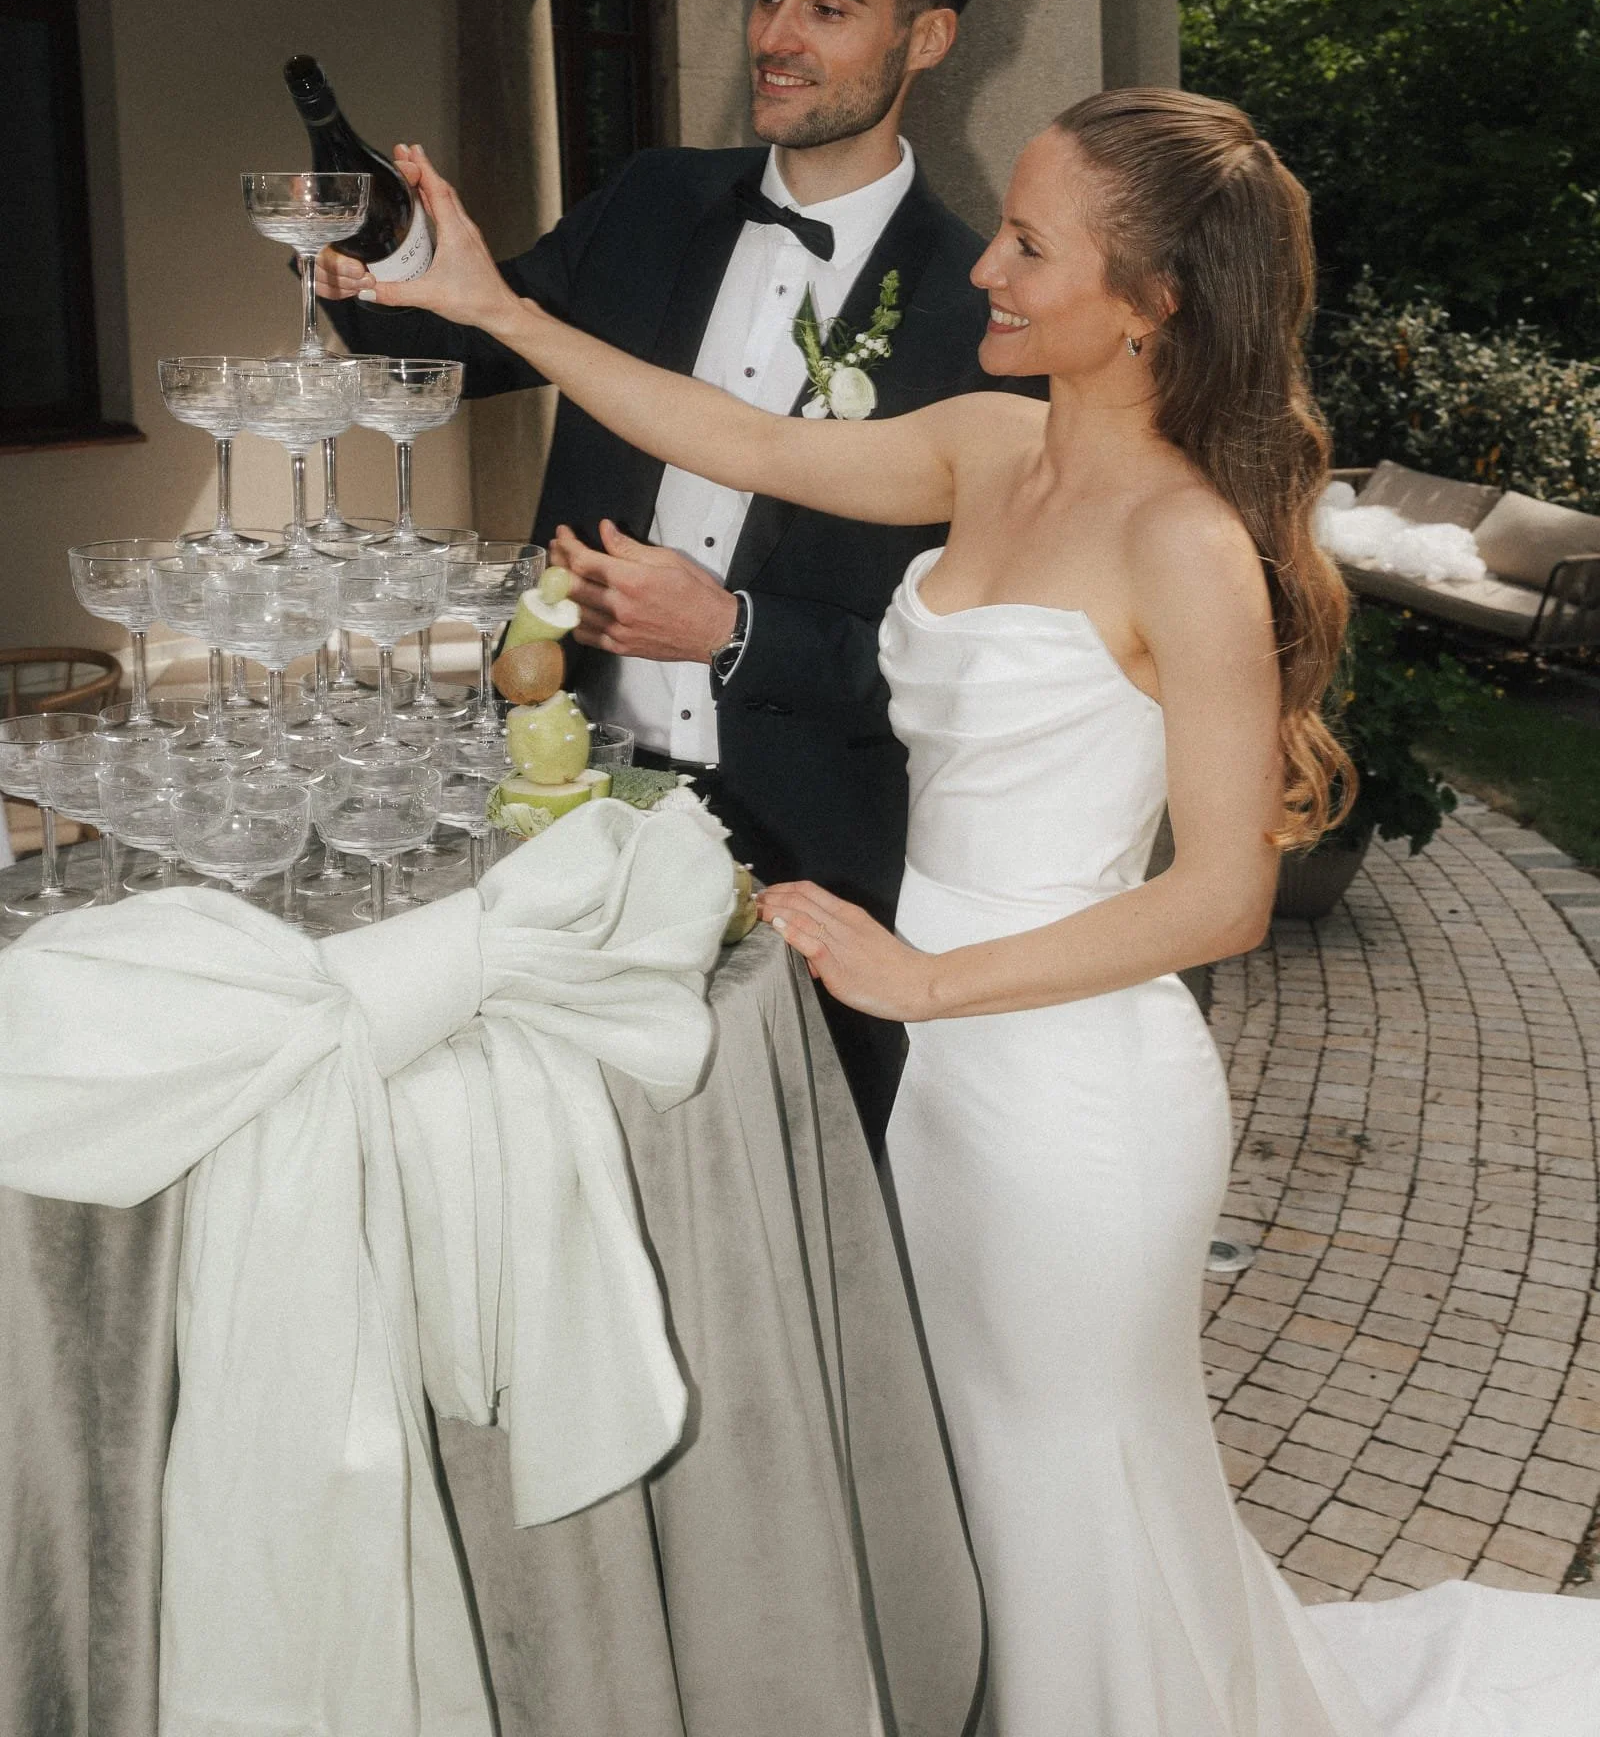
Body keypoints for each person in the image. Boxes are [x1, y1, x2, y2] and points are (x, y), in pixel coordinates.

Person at [352, 92, 1600, 1735]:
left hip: (1071, 1092)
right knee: (974, 1476)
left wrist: (925, 985)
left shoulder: (1188, 544)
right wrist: (498, 309)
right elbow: (739, 441)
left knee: (1065, 1480)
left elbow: (1223, 895)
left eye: (1030, 245)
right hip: (943, 1063)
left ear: (1152, 304)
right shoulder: (988, 445)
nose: (987, 269)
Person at [317, 0, 1035, 1153]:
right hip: (561, 799)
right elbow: (446, 347)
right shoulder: (651, 201)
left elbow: (968, 671)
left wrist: (733, 632)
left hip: (814, 846)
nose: (775, 38)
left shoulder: (977, 314)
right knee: (559, 1166)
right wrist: (379, 249)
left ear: (926, 37)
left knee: (800, 1204)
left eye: (828, 7)